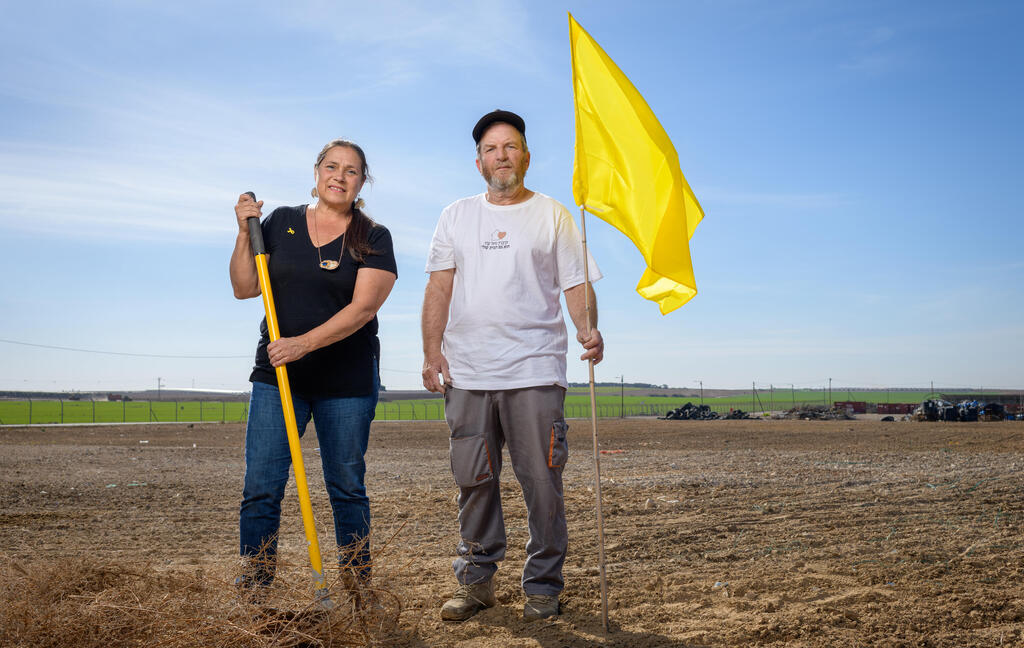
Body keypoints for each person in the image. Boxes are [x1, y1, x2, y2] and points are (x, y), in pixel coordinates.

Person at [421, 110, 604, 622]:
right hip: (469, 374)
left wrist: (588, 328)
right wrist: (432, 352)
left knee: (542, 482)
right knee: (474, 481)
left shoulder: (553, 214)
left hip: (535, 371)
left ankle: (543, 586)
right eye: (491, 148)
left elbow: (575, 284)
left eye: (511, 146)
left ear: (526, 155)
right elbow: (439, 287)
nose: (501, 155)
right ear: (478, 161)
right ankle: (476, 584)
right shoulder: (455, 215)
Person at [229, 139, 397, 597]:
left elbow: (362, 309)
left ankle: (357, 586)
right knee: (261, 486)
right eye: (332, 167)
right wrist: (246, 233)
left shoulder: (372, 237)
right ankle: (256, 585)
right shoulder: (279, 222)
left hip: (345, 383)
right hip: (278, 378)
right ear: (317, 172)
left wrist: (303, 344)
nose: (340, 176)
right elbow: (245, 288)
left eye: (351, 171)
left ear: (362, 182)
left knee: (345, 486)